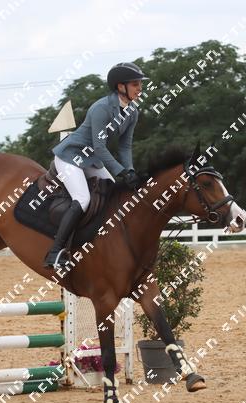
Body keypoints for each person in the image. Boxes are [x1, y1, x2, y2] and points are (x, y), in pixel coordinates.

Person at [44, 62, 147, 268]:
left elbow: (125, 146)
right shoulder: (101, 108)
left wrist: (130, 170)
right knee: (83, 199)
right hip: (71, 156)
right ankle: (55, 252)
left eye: (140, 84)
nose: (140, 88)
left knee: (113, 195)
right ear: (121, 87)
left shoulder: (132, 111)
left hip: (91, 159)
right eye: (135, 84)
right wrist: (120, 171)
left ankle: (103, 244)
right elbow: (99, 147)